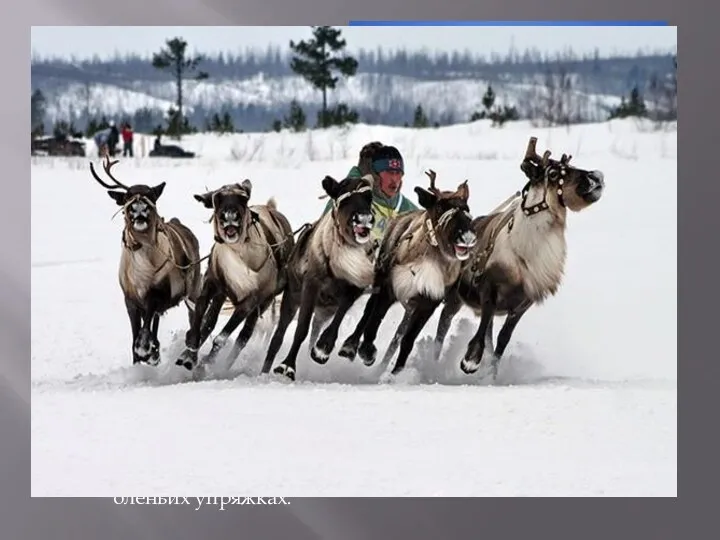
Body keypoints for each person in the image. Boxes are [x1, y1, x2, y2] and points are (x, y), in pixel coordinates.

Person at [322, 143, 418, 242]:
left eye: (398, 173)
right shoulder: (345, 200)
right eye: (389, 172)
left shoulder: (402, 205)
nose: (394, 180)